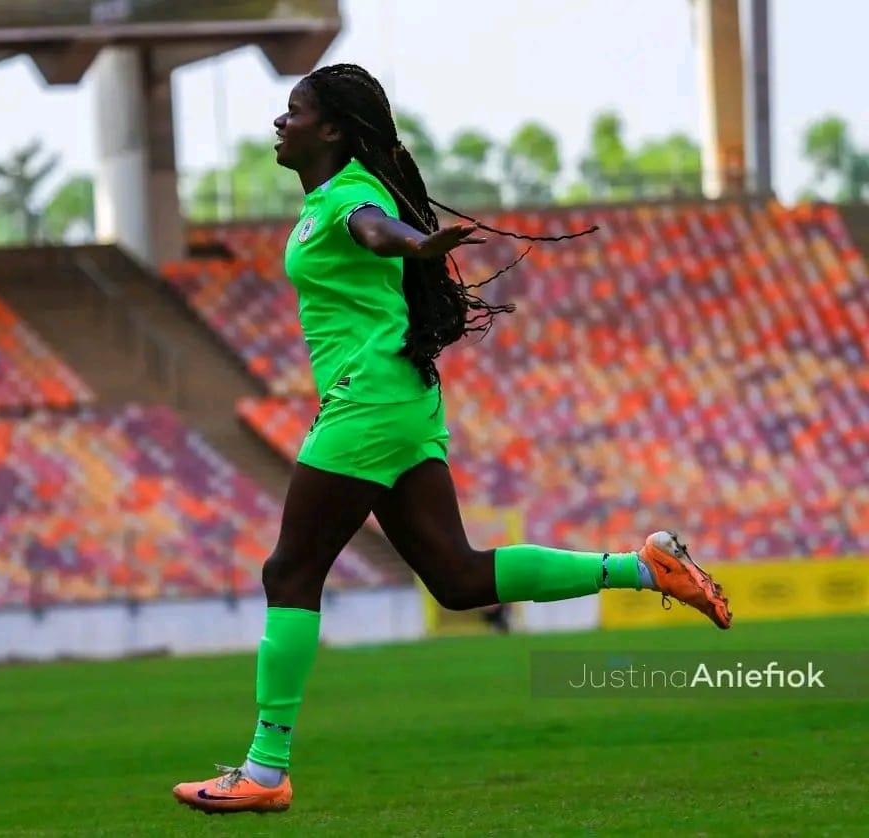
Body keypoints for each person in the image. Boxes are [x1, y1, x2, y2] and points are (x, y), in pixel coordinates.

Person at [172, 63, 732, 815]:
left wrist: (419, 246)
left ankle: (265, 772)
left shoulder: (351, 196)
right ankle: (643, 567)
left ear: (331, 129)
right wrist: (414, 246)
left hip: (367, 403)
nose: (281, 121)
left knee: (291, 572)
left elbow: (376, 232)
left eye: (294, 110)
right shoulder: (325, 202)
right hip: (399, 400)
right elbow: (371, 236)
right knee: (459, 579)